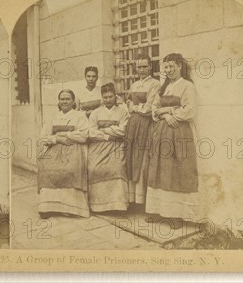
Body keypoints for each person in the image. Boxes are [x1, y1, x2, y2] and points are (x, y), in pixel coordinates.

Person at [145, 53, 199, 228]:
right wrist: (165, 114)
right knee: (159, 169)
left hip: (179, 133)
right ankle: (157, 210)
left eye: (171, 67)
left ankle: (177, 215)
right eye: (165, 67)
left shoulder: (187, 86)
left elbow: (190, 110)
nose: (168, 70)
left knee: (176, 170)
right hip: (161, 132)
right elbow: (154, 108)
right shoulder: (163, 87)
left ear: (179, 66)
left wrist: (169, 113)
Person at [37, 89, 91, 219]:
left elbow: (84, 136)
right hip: (54, 148)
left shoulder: (79, 116)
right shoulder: (53, 117)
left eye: (67, 99)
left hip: (74, 148)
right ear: (59, 102)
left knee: (70, 168)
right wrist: (57, 139)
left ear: (73, 101)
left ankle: (71, 208)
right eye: (62, 99)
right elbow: (43, 137)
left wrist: (66, 134)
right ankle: (48, 207)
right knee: (47, 167)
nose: (65, 101)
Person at [87, 83, 130, 212]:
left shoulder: (122, 112)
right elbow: (91, 132)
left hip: (117, 145)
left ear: (115, 96)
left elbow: (123, 130)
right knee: (93, 167)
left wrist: (104, 129)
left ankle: (117, 204)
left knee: (117, 167)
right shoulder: (95, 113)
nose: (108, 100)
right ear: (102, 98)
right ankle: (98, 204)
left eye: (110, 97)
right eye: (105, 97)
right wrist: (107, 135)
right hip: (99, 144)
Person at [125, 55, 160, 207]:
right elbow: (128, 104)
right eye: (139, 67)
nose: (141, 70)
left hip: (146, 124)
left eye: (145, 66)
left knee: (144, 159)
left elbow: (149, 108)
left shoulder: (155, 84)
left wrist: (134, 107)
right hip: (133, 124)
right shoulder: (134, 85)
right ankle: (133, 199)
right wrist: (133, 107)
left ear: (150, 67)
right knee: (132, 156)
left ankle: (144, 200)